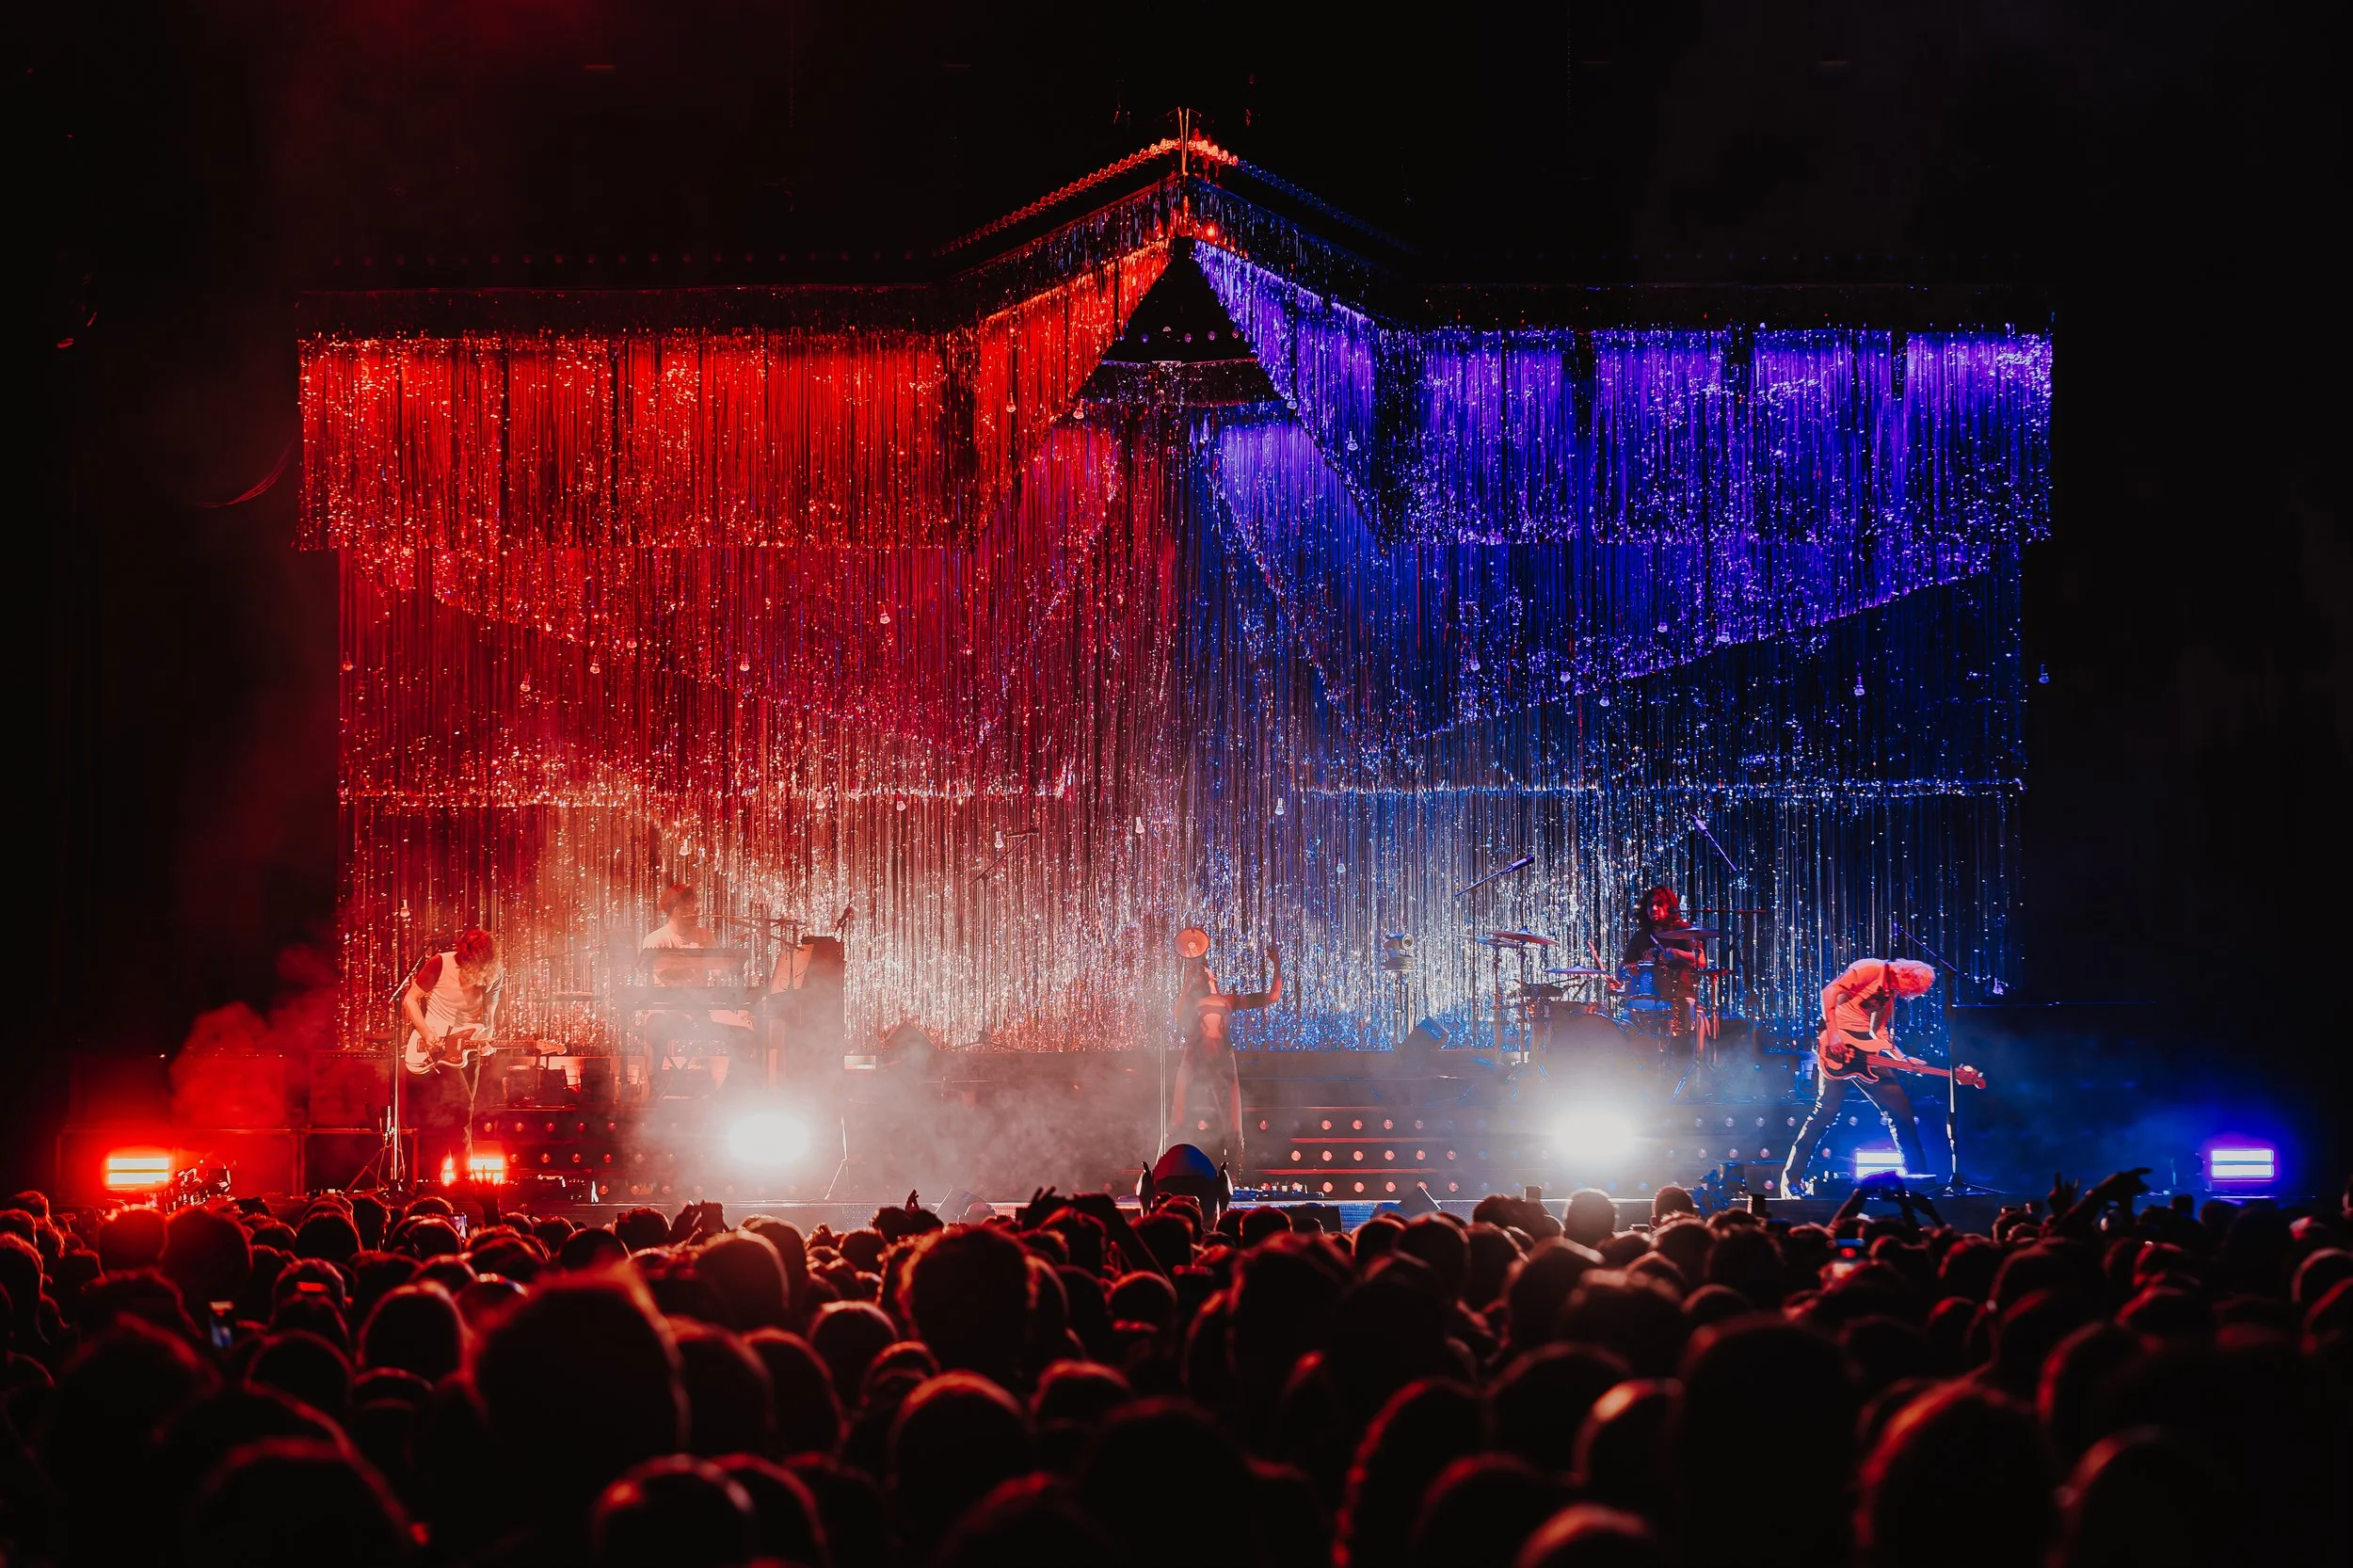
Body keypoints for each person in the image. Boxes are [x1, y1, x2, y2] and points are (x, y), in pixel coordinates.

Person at [1782, 957, 1939, 1195]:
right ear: (1906, 976)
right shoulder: (1871, 968)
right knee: (1825, 1113)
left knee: (1902, 1112)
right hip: (1838, 1049)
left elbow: (1878, 1032)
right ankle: (1791, 1181)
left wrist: (1901, 1058)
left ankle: (1920, 1183)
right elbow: (1829, 991)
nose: (1908, 995)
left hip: (1865, 1053)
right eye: (1911, 989)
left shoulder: (1889, 992)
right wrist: (1833, 1034)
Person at [399, 927, 502, 1187]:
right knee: (461, 1107)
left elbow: (489, 1015)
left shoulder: (495, 972)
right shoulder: (440, 963)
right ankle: (462, 1178)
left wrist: (486, 1039)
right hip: (436, 1046)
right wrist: (425, 1033)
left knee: (461, 1114)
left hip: (468, 1047)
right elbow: (410, 1000)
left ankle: (442, 1176)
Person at [1169, 941, 1281, 1173]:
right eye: (1201, 972)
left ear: (1214, 976)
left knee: (1232, 1120)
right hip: (1195, 1057)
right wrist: (1186, 982)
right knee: (1178, 1111)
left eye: (1207, 970)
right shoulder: (1192, 1002)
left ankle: (1234, 1173)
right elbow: (1178, 1012)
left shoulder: (1229, 1000)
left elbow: (1273, 997)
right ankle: (1173, 1164)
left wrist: (1276, 964)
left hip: (1222, 1059)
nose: (1205, 973)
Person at [1619, 887, 1706, 1039]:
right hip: (1646, 998)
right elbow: (1623, 968)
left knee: (1682, 1037)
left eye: (1659, 904)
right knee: (1625, 1019)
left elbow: (1701, 961)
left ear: (1670, 907)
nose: (1653, 908)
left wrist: (1678, 953)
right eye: (1649, 905)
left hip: (1680, 997)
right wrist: (1623, 974)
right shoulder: (1641, 936)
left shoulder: (1683, 931)